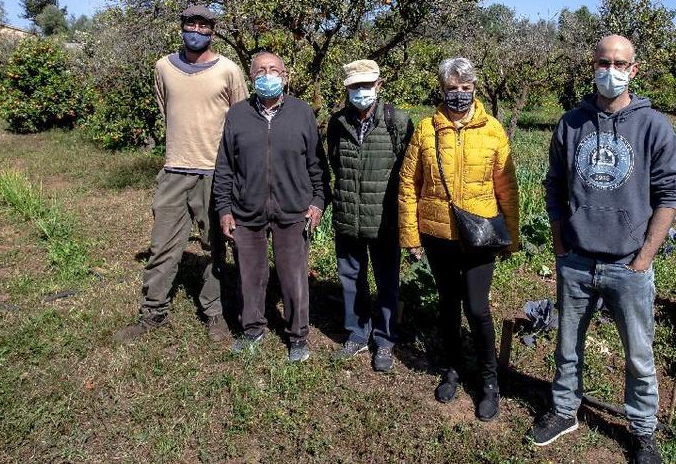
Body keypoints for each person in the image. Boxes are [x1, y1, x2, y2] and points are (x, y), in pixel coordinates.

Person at [529, 35, 676, 464]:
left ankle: (643, 430)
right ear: (592, 66)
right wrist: (560, 242)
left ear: (633, 70)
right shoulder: (571, 123)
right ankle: (564, 411)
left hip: (627, 264)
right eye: (603, 62)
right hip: (576, 259)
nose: (610, 71)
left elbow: (669, 194)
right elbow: (554, 185)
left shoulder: (653, 126)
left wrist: (644, 257)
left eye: (619, 63)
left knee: (639, 354)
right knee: (567, 345)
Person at [114, 5, 249, 345]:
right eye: (191, 24)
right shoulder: (163, 67)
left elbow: (241, 120)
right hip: (174, 170)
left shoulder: (229, 70)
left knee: (214, 249)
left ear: (212, 32)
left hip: (214, 173)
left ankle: (214, 313)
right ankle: (153, 313)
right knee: (162, 246)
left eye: (203, 26)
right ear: (182, 27)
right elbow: (167, 108)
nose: (196, 31)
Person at [398, 57, 520, 421]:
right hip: (438, 235)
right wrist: (411, 236)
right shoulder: (427, 129)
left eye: (465, 88)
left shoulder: (492, 130)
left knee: (478, 308)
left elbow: (507, 187)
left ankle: (489, 381)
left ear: (474, 89)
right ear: (442, 89)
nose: (459, 94)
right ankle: (452, 368)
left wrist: (511, 236)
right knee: (448, 306)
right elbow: (409, 184)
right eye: (452, 88)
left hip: (480, 235)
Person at [213, 51, 328, 363]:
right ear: (251, 77)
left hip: (293, 210)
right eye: (261, 70)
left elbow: (316, 164)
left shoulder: (302, 112)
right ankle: (252, 330)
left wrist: (318, 201)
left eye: (274, 70)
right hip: (246, 209)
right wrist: (224, 208)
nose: (268, 75)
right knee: (250, 275)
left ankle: (298, 336)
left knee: (294, 277)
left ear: (285, 76)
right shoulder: (237, 114)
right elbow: (225, 166)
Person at [326, 60, 414, 372]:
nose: (361, 91)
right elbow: (336, 163)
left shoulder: (397, 121)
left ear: (379, 85)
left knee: (387, 281)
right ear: (347, 89)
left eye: (366, 85)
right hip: (348, 215)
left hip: (384, 219)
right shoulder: (337, 122)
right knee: (350, 277)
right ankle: (357, 332)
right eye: (355, 86)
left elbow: (408, 171)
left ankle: (386, 338)